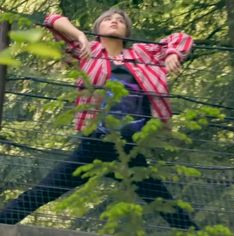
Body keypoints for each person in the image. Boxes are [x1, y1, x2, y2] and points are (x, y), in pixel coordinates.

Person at [0, 8, 198, 230]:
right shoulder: (87, 50)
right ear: (97, 29)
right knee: (46, 190)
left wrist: (172, 53)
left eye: (120, 20)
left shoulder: (143, 53)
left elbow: (182, 38)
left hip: (128, 149)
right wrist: (80, 36)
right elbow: (53, 19)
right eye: (108, 19)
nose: (114, 21)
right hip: (94, 144)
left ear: (127, 30)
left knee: (164, 203)